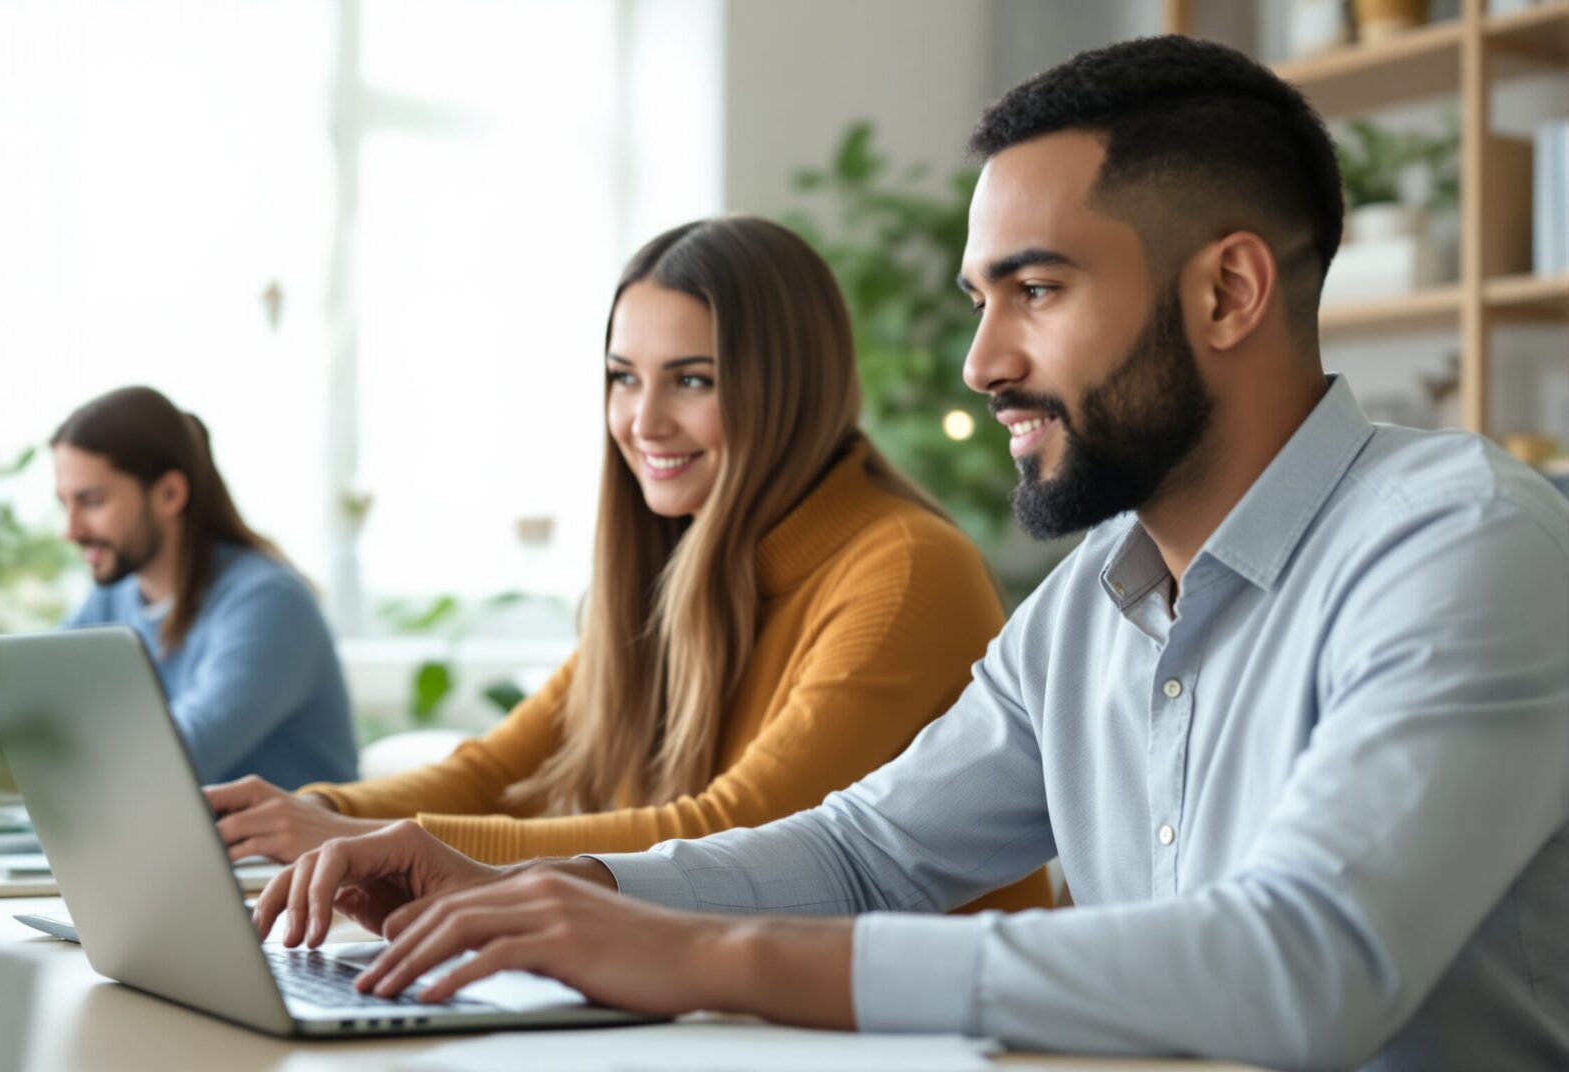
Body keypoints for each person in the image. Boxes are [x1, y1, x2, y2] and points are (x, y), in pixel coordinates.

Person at [256, 37, 1569, 1072]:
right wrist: (535, 882)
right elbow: (864, 853)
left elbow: (1308, 966)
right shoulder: (1081, 614)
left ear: (1226, 293)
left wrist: (709, 956)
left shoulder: (1465, 546)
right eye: (980, 299)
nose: (981, 363)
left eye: (1037, 292)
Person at [209, 217, 1051, 914]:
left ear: (788, 390)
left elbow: (734, 834)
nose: (643, 421)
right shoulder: (682, 562)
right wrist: (314, 814)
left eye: (690, 380)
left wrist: (370, 845)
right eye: (622, 378)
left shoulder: (904, 569)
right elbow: (501, 773)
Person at [55, 386, 357, 789]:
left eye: (91, 502)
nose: (70, 530)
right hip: (173, 843)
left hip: (286, 853)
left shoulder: (269, 602)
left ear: (169, 494)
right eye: (64, 504)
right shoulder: (112, 598)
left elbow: (175, 759)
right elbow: (38, 713)